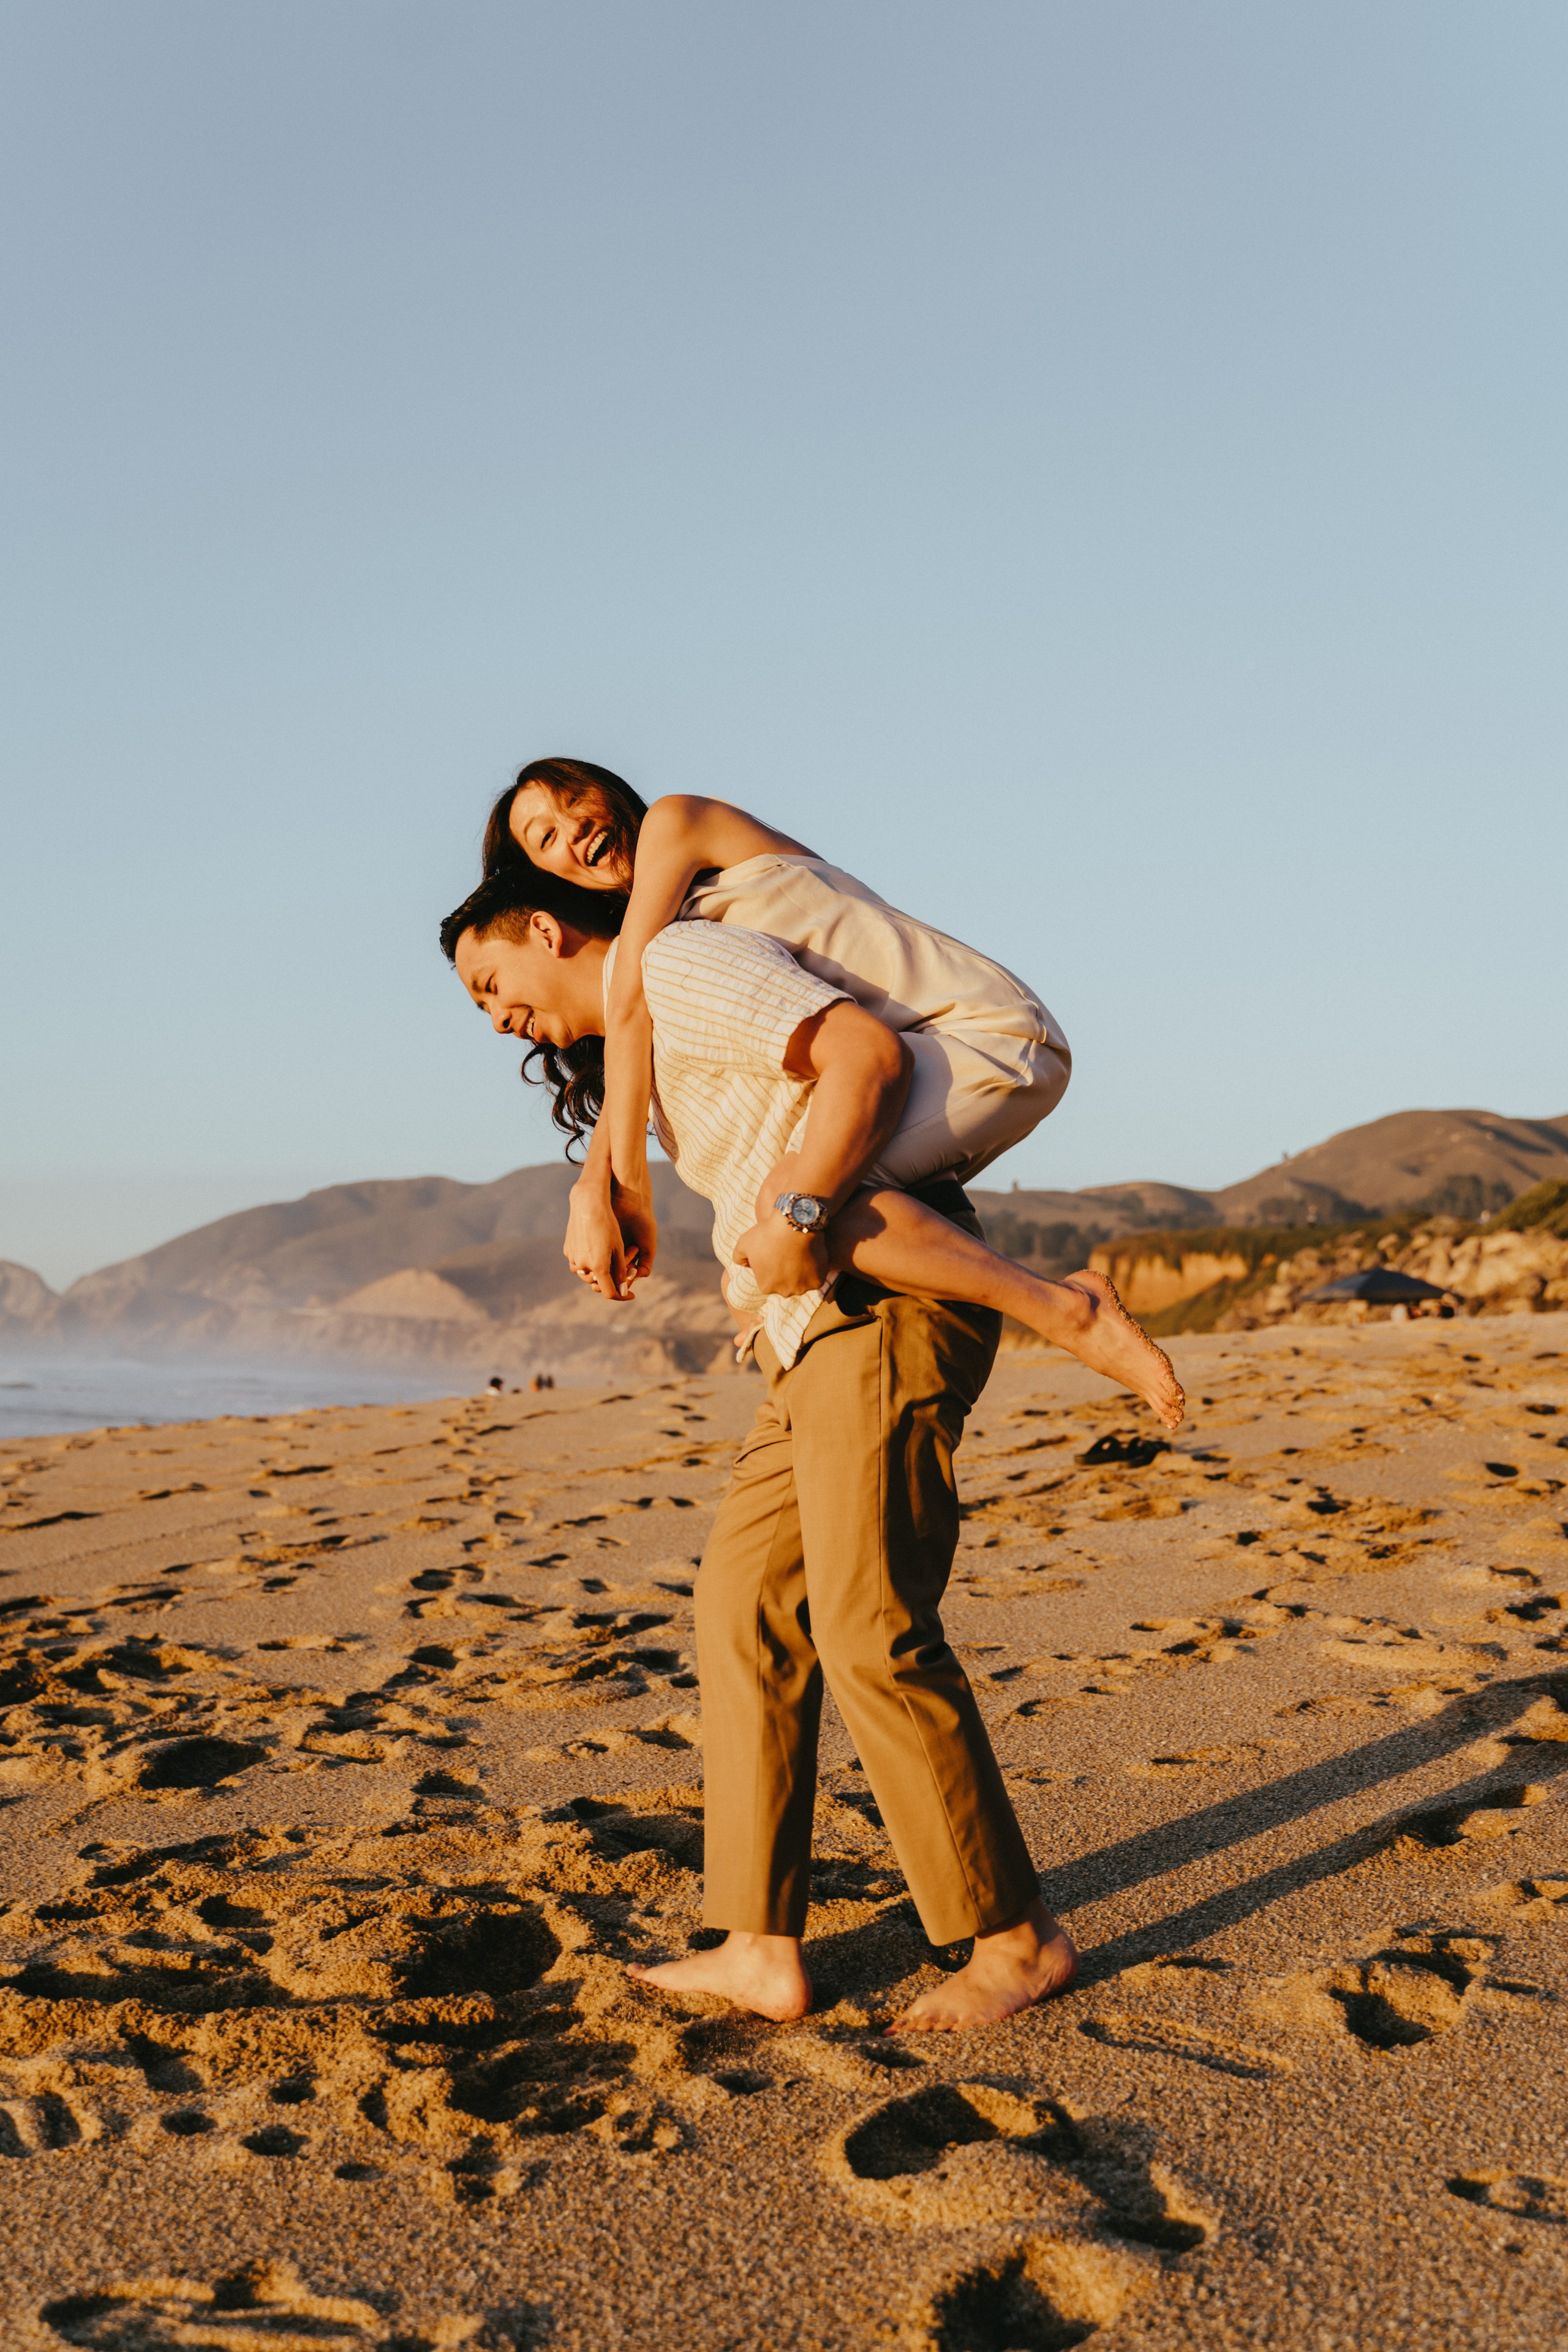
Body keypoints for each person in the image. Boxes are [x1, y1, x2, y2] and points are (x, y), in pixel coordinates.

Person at [439, 862, 1080, 2030]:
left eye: (492, 981)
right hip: (807, 1337)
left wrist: (790, 1222)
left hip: (880, 1309)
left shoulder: (679, 962)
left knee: (872, 1626)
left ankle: (1014, 1937)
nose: (494, 1017)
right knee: (743, 1610)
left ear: (545, 926)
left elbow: (865, 1062)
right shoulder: (644, 1038)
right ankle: (758, 1945)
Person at [481, 756, 1183, 1429]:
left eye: (574, 802)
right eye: (545, 837)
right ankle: (767, 1304)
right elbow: (631, 1015)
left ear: (607, 795)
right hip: (943, 1052)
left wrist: (615, 1191)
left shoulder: (676, 823)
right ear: (541, 874)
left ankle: (1067, 1312)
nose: (573, 830)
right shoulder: (673, 919)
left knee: (797, 1202)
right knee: (783, 1212)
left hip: (984, 1038)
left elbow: (628, 1003)